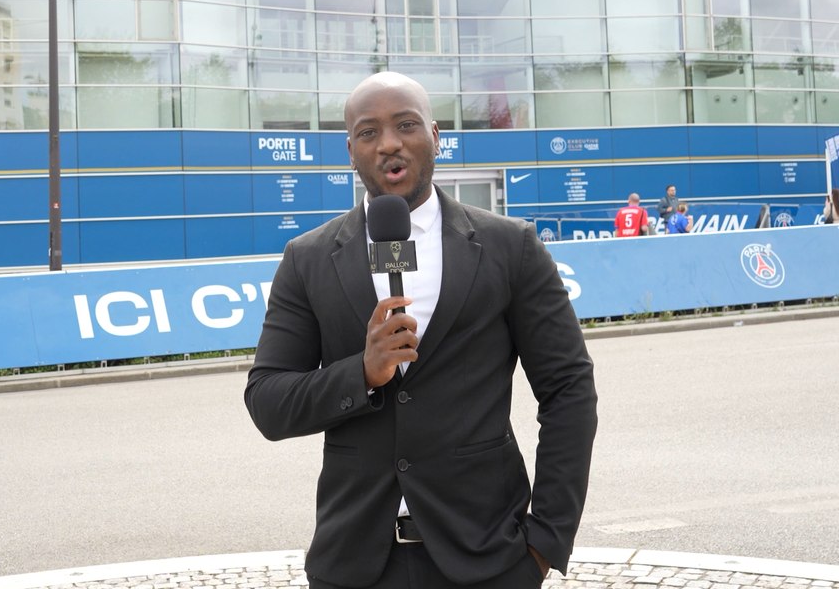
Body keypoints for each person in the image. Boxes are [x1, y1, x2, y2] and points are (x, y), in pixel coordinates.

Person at [245, 71, 599, 589]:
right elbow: (268, 403)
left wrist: (545, 541)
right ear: (350, 150)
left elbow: (568, 390)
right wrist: (362, 373)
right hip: (354, 563)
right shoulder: (308, 259)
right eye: (368, 132)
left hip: (488, 559)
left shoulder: (510, 247)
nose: (389, 143)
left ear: (436, 136)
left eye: (406, 125)